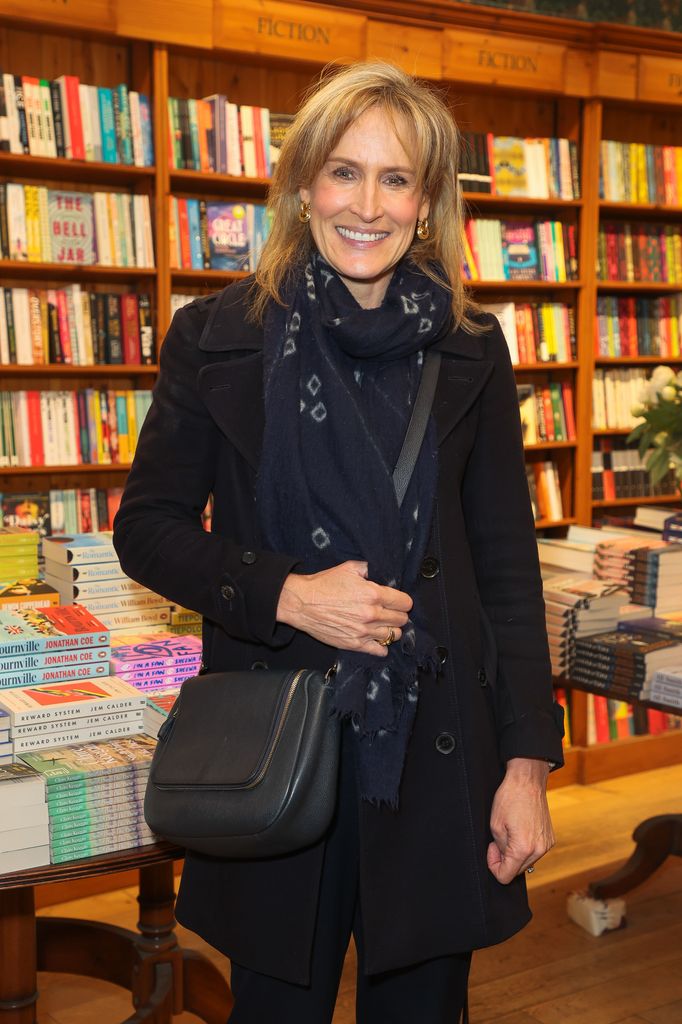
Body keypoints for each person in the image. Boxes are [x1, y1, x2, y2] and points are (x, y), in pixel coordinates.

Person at [113, 61, 564, 1024]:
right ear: (302, 184)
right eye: (344, 172)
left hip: (438, 757)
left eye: (396, 179)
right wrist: (287, 592)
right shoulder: (216, 336)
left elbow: (507, 575)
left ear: (429, 201)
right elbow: (144, 532)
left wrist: (527, 767)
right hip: (280, 744)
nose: (367, 204)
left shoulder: (472, 347)